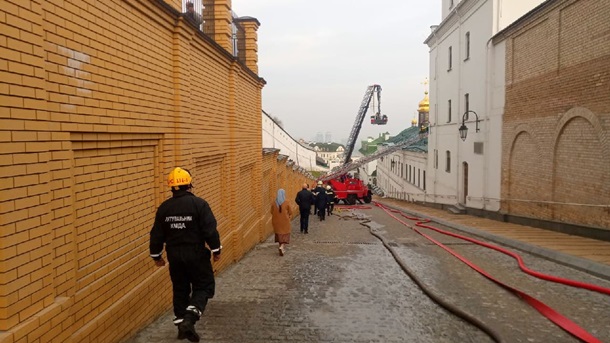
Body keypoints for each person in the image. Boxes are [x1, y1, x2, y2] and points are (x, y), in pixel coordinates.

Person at [150, 167, 222, 342]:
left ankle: (182, 326)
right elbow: (209, 229)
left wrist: (156, 256)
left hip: (174, 255)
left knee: (180, 289)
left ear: (172, 187)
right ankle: (189, 320)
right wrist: (216, 250)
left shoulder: (164, 208)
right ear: (189, 184)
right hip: (196, 254)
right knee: (204, 286)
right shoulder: (199, 204)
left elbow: (157, 234)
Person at [271, 189, 292, 256]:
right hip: (285, 221)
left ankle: (280, 246)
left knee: (279, 233)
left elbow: (271, 211)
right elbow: (290, 211)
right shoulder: (286, 202)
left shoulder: (274, 202)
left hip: (276, 221)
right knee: (284, 233)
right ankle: (282, 246)